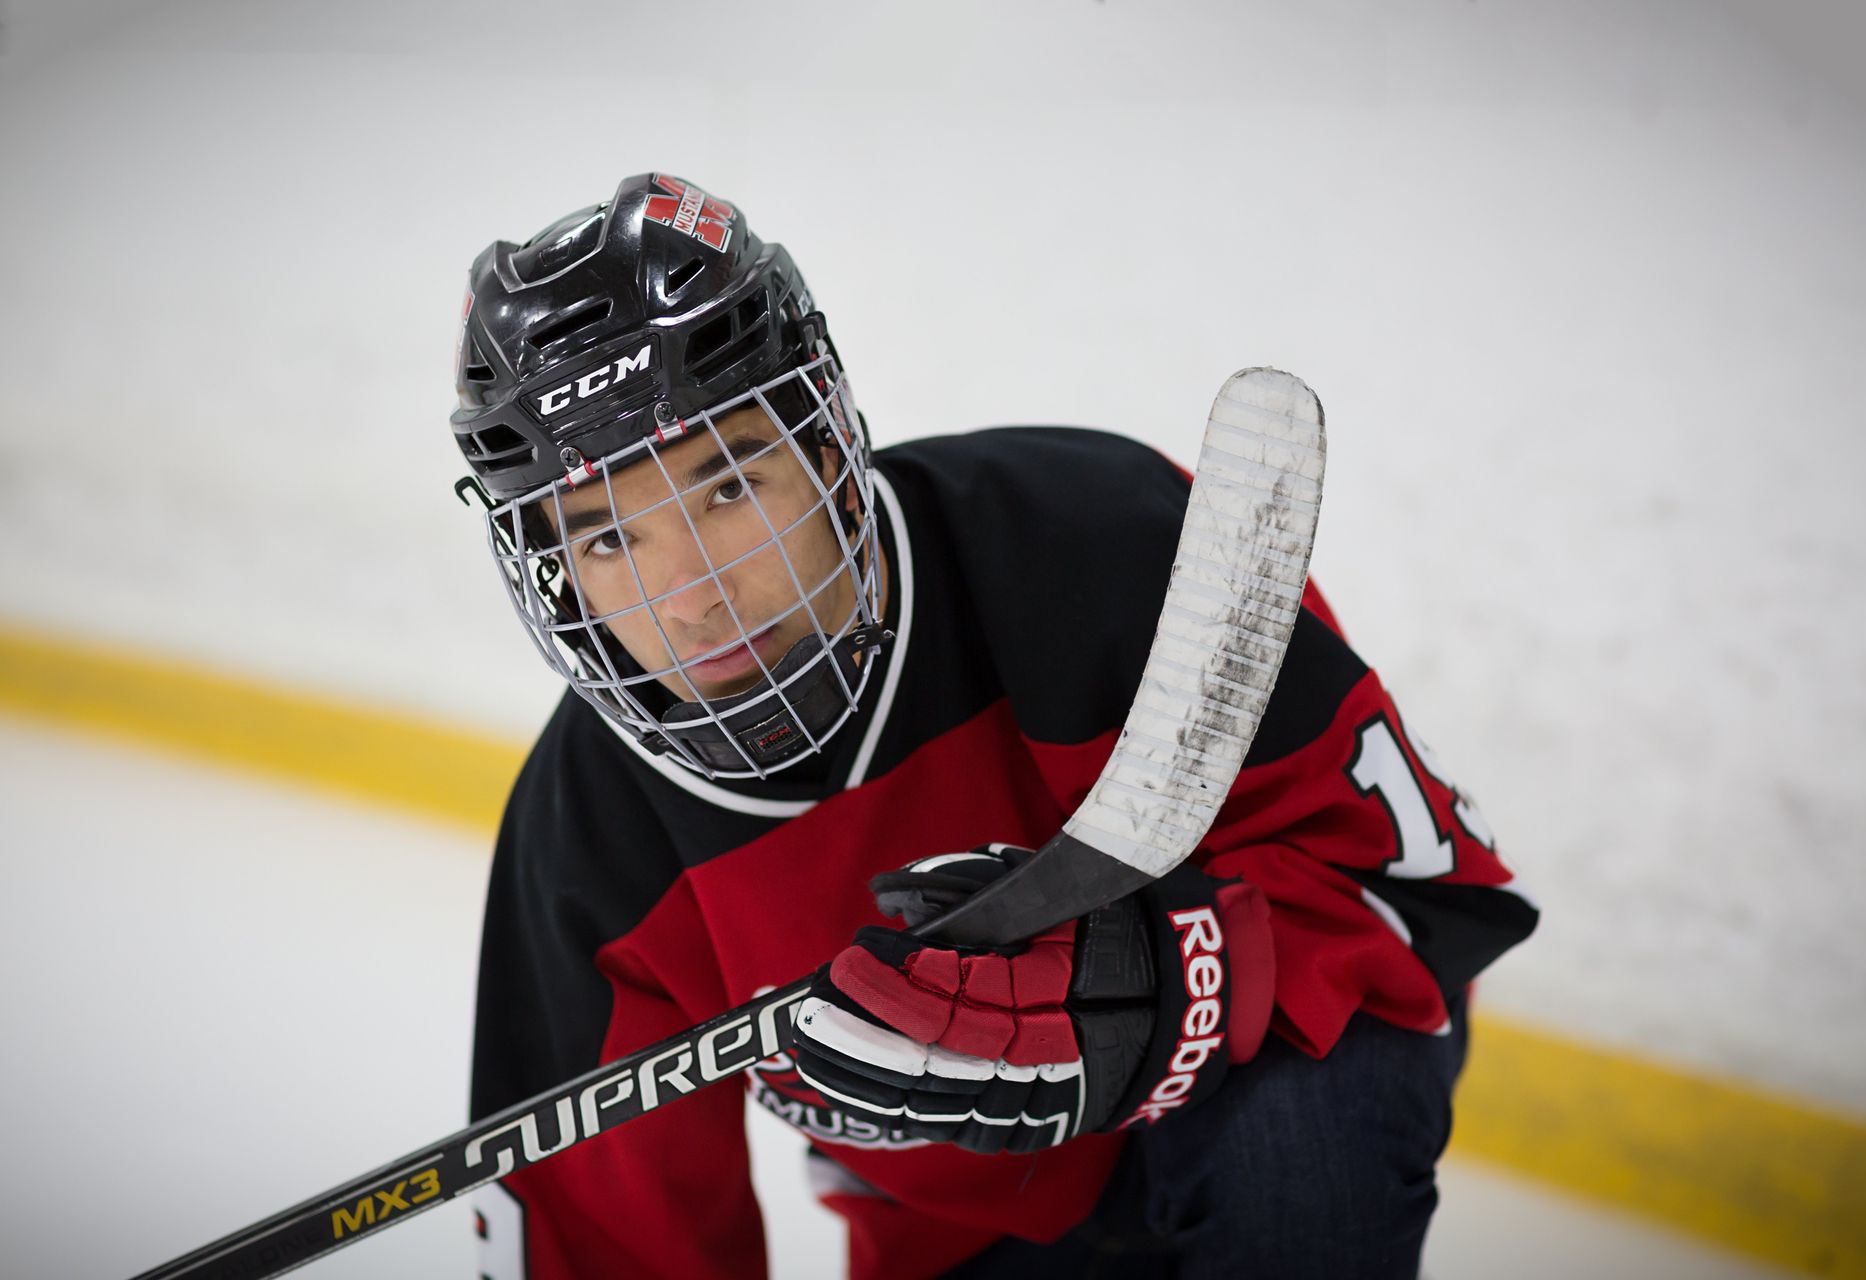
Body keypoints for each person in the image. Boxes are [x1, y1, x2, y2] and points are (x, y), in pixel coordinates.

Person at [452, 172, 1537, 1280]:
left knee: (1307, 1142)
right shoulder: (586, 834)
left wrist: (1181, 983)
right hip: (968, 1242)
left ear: (825, 445)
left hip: (1244, 1092)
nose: (689, 596)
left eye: (729, 484)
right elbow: (602, 1243)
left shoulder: (1092, 547)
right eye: (607, 538)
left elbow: (1430, 900)